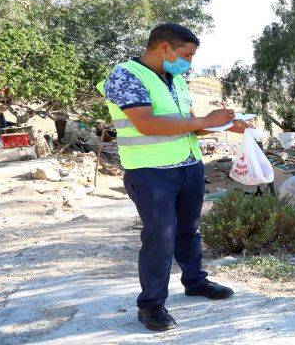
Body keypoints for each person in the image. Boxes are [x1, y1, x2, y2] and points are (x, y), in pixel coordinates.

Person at [97, 23, 247, 331]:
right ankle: (151, 305)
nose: (189, 63)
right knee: (159, 238)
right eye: (186, 55)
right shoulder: (125, 75)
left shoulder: (175, 79)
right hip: (152, 172)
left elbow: (187, 124)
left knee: (188, 231)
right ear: (164, 47)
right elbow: (147, 124)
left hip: (189, 165)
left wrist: (222, 125)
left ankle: (195, 281)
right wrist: (204, 120)